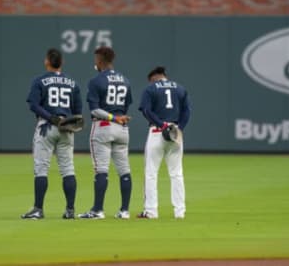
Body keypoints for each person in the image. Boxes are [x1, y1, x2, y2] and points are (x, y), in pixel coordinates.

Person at [21, 48, 82, 220]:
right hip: (66, 128)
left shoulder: (40, 80)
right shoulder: (72, 83)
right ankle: (70, 210)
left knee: (41, 169)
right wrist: (67, 122)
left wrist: (50, 117)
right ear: (61, 63)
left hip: (46, 126)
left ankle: (38, 209)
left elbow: (33, 104)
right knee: (68, 169)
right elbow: (78, 112)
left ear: (47, 61)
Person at [78, 46, 133, 219]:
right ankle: (124, 211)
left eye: (96, 59)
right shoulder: (125, 80)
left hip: (103, 126)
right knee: (124, 169)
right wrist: (118, 118)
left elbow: (94, 110)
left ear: (100, 60)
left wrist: (112, 117)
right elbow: (125, 106)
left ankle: (97, 210)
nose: (95, 62)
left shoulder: (96, 81)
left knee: (101, 169)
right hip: (122, 127)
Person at [137, 66, 191, 219]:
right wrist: (179, 128)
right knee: (176, 173)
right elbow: (187, 111)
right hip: (175, 133)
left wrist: (162, 125)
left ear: (154, 78)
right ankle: (180, 212)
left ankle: (151, 211)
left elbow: (147, 111)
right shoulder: (180, 89)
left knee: (151, 173)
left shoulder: (151, 89)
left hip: (157, 132)